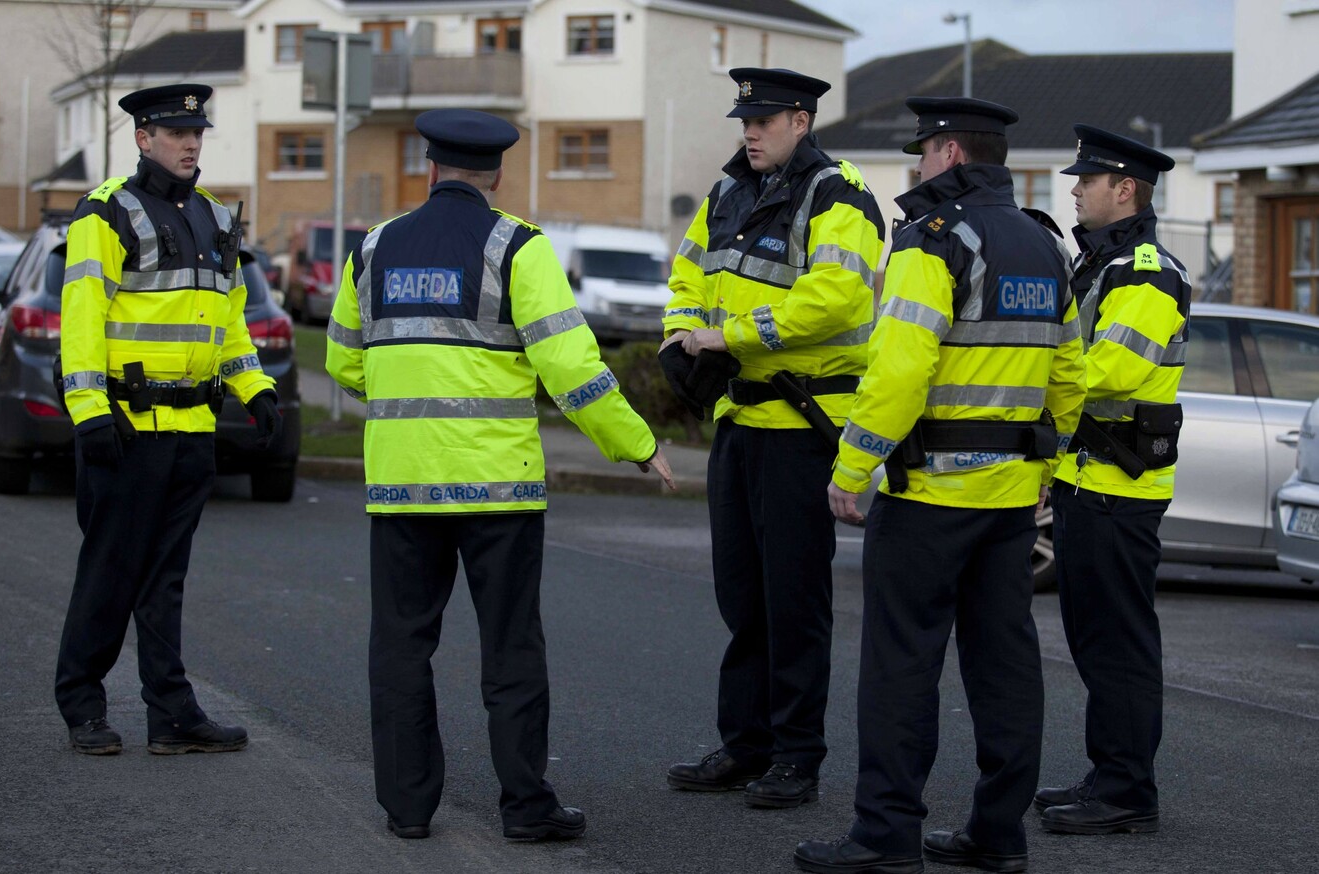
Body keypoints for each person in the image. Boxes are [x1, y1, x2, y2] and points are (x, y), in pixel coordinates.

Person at [325, 108, 674, 842]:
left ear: (430, 168)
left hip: (402, 483)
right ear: (497, 175)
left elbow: (343, 362)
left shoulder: (374, 247)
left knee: (401, 646)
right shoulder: (518, 247)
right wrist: (635, 443)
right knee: (511, 648)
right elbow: (569, 367)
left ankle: (407, 809)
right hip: (498, 489)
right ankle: (525, 807)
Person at [796, 97, 1087, 874]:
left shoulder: (932, 239)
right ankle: (998, 835)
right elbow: (1070, 375)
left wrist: (852, 467)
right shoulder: (1044, 245)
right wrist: (1044, 471)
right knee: (1005, 667)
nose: (918, 165)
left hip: (928, 497)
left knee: (901, 667)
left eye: (923, 151)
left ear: (950, 154)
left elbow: (900, 370)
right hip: (1009, 501)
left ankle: (885, 837)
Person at [661, 67, 885, 809]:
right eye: (745, 122)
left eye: (763, 121)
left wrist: (728, 337)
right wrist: (678, 336)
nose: (750, 133)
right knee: (742, 597)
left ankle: (796, 757)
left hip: (800, 426)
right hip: (740, 422)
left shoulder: (839, 193)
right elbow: (687, 277)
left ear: (800, 121)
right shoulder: (728, 192)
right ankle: (745, 745)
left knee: (794, 602)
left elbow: (836, 298)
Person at [55, 83, 281, 756]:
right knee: (109, 573)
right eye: (176, 134)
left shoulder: (215, 217)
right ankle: (82, 705)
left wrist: (255, 388)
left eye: (196, 133)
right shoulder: (106, 212)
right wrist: (89, 412)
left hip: (191, 430)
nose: (189, 144)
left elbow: (228, 320)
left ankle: (171, 714)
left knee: (165, 580)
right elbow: (82, 317)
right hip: (126, 428)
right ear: (143, 139)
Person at [1034, 125, 1189, 836]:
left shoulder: (1147, 272)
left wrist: (1029, 376)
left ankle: (1127, 792)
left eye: (1087, 180)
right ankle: (1110, 774)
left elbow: (1112, 370)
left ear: (1125, 189)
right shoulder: (1102, 264)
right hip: (1088, 480)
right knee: (1097, 642)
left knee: (1119, 646)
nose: (1075, 191)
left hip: (1119, 490)